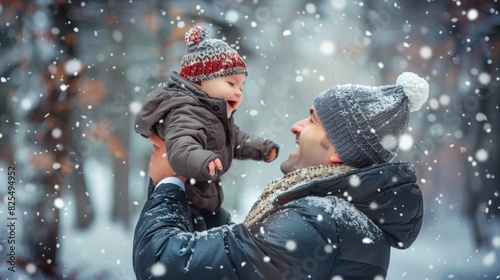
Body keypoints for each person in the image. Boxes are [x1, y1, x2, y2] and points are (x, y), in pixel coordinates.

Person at [133, 72, 429, 279]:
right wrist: (197, 194)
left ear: (338, 151)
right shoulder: (335, 217)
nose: (296, 127)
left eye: (312, 120)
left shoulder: (315, 222)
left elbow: (162, 265)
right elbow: (238, 255)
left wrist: (168, 182)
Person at [134, 26, 279, 229]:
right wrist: (202, 160)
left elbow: (235, 138)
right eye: (231, 83)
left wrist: (261, 147)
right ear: (200, 80)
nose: (238, 93)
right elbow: (182, 146)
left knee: (226, 234)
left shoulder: (211, 116)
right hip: (184, 203)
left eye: (241, 87)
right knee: (203, 246)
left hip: (203, 199)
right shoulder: (185, 111)